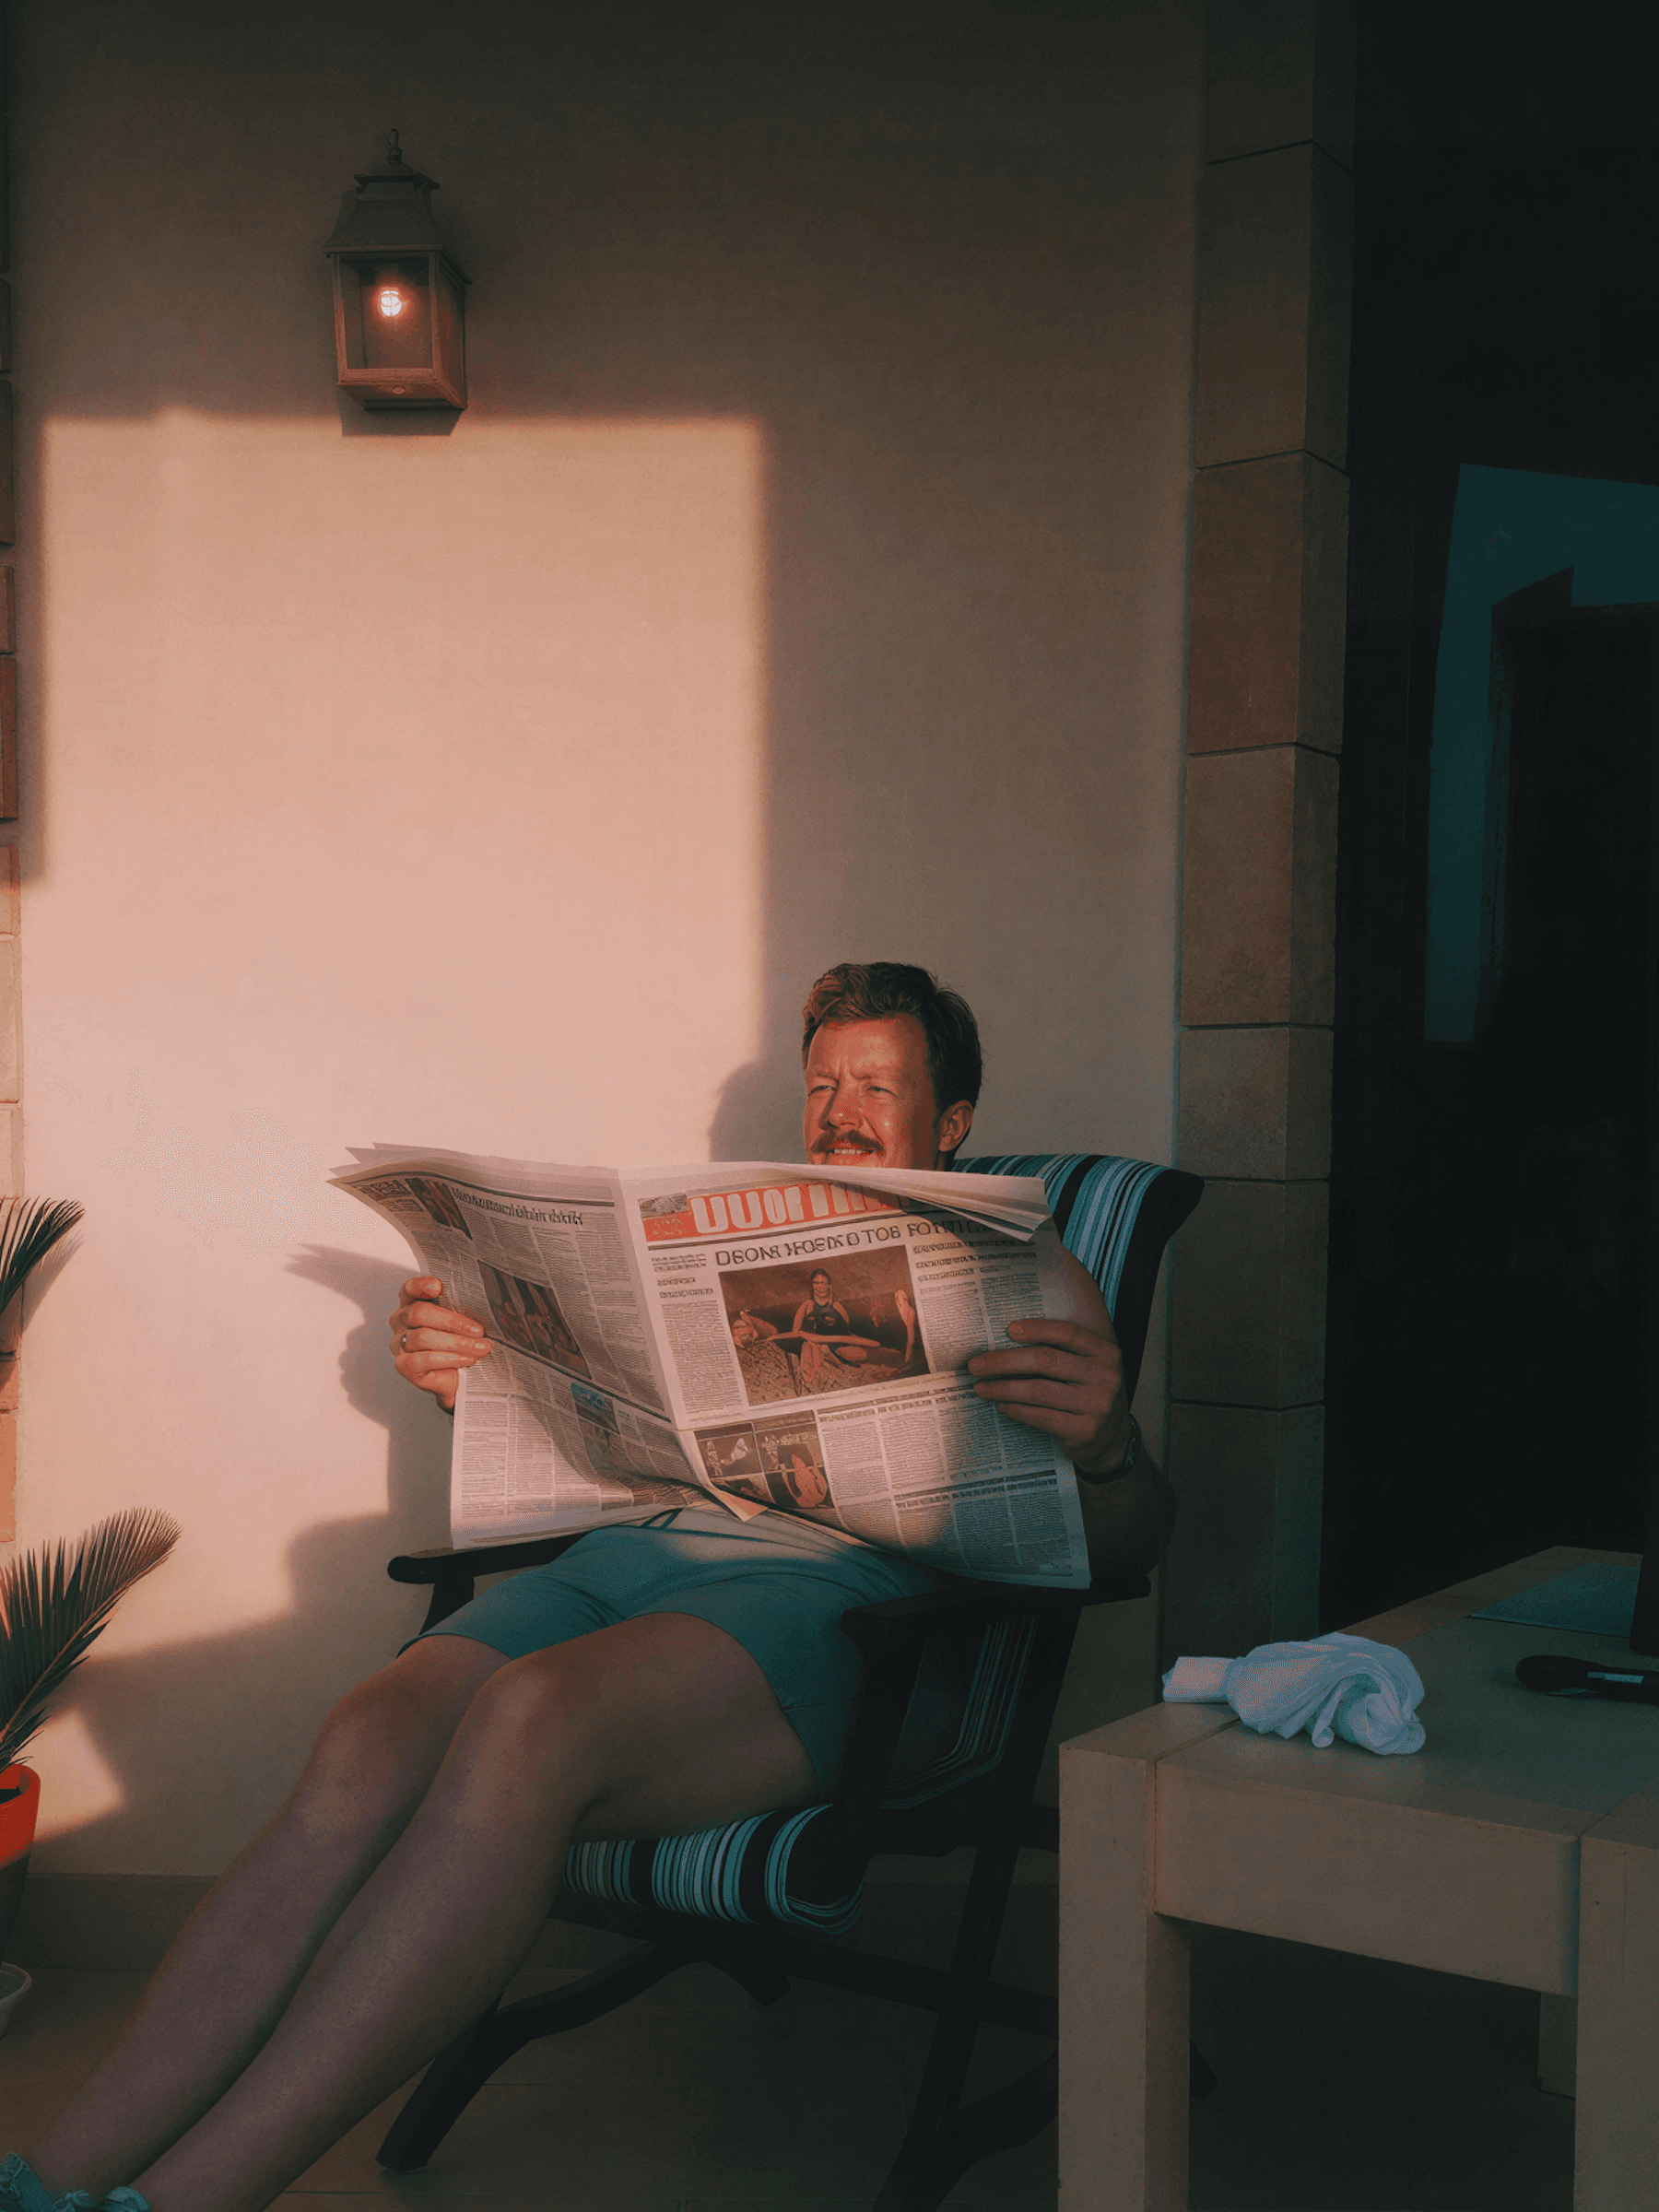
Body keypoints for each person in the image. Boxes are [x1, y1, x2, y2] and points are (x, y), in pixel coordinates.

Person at [5, 961, 1174, 2212]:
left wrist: (1109, 1449)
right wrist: (470, 1372)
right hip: (624, 1558)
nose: (839, 1109)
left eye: (878, 1087)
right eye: (822, 1082)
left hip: (836, 1612)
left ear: (948, 1126)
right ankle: (49, 2179)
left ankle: (186, 2200)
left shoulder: (1021, 1263)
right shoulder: (736, 1221)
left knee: (530, 1720)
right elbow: (602, 1438)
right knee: (367, 1732)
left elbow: (1127, 1550)